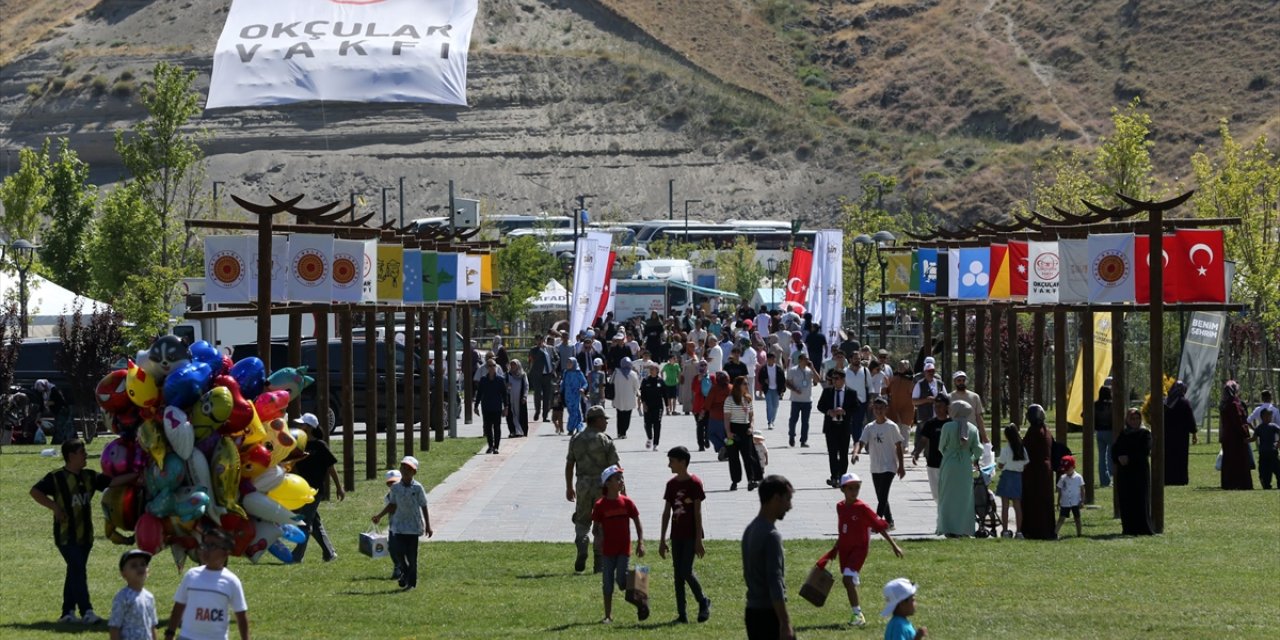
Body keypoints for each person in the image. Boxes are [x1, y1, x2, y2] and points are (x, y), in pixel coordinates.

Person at [30, 438, 136, 625]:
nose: (86, 455)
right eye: (82, 452)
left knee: (75, 571)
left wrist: (136, 475)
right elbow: (35, 491)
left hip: (86, 536)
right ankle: (87, 611)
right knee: (78, 570)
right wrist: (55, 507)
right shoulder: (56, 477)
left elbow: (113, 482)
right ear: (71, 456)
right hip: (66, 536)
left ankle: (67, 613)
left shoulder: (89, 476)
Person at [816, 473, 904, 628]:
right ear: (843, 489)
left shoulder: (862, 508)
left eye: (857, 488)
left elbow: (879, 527)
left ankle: (858, 615)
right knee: (849, 581)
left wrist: (894, 545)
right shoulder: (840, 507)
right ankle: (856, 611)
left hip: (859, 549)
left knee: (847, 580)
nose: (854, 491)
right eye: (850, 488)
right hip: (845, 549)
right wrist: (835, 548)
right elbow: (843, 529)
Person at [164, 528, 249, 640]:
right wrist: (170, 633)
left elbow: (241, 616)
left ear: (225, 552)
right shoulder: (191, 575)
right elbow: (178, 607)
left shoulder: (231, 581)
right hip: (188, 637)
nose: (206, 550)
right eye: (204, 545)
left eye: (212, 546)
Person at [658, 447, 712, 624]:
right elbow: (667, 513)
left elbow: (698, 513)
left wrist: (698, 540)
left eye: (672, 461)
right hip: (676, 535)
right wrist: (662, 539)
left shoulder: (695, 483)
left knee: (685, 570)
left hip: (691, 535)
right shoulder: (670, 485)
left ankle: (703, 601)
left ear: (682, 462)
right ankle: (682, 614)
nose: (669, 465)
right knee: (678, 575)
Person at [566, 406, 621, 573]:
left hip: (582, 485)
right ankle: (599, 563)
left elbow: (569, 465)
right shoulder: (605, 440)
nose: (605, 423)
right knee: (602, 524)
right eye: (604, 419)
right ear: (597, 420)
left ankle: (582, 543)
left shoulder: (576, 439)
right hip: (602, 488)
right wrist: (621, 490)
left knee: (582, 521)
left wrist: (569, 487)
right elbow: (615, 467)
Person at [592, 465, 649, 623]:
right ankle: (608, 616)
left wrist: (640, 542)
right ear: (607, 483)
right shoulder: (600, 505)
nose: (621, 481)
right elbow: (595, 528)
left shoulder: (627, 502)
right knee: (607, 584)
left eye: (621, 478)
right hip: (608, 550)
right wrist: (597, 537)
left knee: (622, 581)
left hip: (624, 549)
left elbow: (637, 522)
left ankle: (641, 587)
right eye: (617, 479)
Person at [742, 475, 795, 640]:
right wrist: (785, 623)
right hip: (768, 615)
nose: (790, 506)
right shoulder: (771, 536)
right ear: (775, 498)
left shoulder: (750, 529)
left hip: (752, 613)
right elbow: (775, 581)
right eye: (788, 499)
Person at [371, 456, 433, 590]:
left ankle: (411, 583)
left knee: (412, 557)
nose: (405, 471)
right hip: (398, 526)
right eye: (403, 467)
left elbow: (424, 505)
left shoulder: (417, 488)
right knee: (397, 551)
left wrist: (428, 525)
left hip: (413, 527)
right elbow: (392, 505)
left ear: (414, 472)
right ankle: (404, 571)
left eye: (409, 469)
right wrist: (379, 516)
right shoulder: (395, 488)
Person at [290, 413, 345, 563]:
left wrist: (339, 488)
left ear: (309, 427)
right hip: (302, 490)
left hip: (315, 491)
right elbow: (292, 467)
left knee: (305, 524)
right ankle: (329, 553)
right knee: (314, 522)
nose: (299, 426)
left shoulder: (320, 446)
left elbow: (331, 468)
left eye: (302, 424)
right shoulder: (299, 444)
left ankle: (297, 556)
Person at [854, 397, 906, 529]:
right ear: (872, 409)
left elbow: (898, 446)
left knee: (883, 496)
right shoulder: (869, 427)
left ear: (886, 409)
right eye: (876, 408)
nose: (878, 411)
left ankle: (875, 523)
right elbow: (861, 442)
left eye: (881, 408)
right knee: (881, 496)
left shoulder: (891, 426)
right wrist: (856, 453)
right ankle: (890, 522)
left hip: (889, 466)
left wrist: (901, 466)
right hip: (875, 466)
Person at [934, 399, 982, 537]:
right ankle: (964, 528)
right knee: (965, 498)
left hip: (949, 463)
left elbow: (941, 446)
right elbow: (978, 450)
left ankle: (947, 527)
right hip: (965, 465)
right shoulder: (972, 429)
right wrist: (970, 458)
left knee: (947, 496)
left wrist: (950, 454)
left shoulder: (947, 427)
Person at [1111, 408, 1154, 535]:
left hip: (1139, 472)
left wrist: (1129, 458)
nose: (1135, 421)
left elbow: (1144, 451)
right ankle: (1128, 528)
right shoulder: (1124, 433)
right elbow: (1115, 449)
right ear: (1127, 420)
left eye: (1137, 418)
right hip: (1125, 473)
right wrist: (1119, 458)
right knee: (1126, 500)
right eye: (1132, 419)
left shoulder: (1145, 433)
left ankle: (1143, 528)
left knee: (1140, 499)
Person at [1020, 405, 1057, 540]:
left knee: (1033, 499)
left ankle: (1034, 530)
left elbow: (1025, 449)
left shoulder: (1035, 432)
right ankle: (1046, 529)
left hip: (1034, 469)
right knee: (1044, 500)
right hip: (1044, 469)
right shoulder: (1046, 430)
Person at [818, 369, 858, 488]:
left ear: (843, 380)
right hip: (831, 427)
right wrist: (828, 411)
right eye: (832, 379)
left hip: (844, 427)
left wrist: (845, 411)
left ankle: (842, 477)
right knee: (832, 453)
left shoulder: (851, 393)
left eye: (836, 379)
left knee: (843, 453)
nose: (834, 381)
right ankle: (834, 476)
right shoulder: (827, 391)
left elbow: (856, 407)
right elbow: (820, 405)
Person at [724, 376, 764, 491]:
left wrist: (751, 427)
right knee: (733, 457)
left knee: (749, 456)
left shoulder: (748, 399)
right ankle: (735, 481)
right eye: (744, 384)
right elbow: (726, 418)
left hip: (745, 429)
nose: (747, 386)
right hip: (733, 428)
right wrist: (728, 432)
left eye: (747, 383)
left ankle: (751, 480)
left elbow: (751, 415)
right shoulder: (729, 400)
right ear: (737, 386)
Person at [110, 549, 157, 640]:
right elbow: (115, 627)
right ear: (124, 574)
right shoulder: (122, 597)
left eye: (143, 564)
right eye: (133, 566)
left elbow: (152, 626)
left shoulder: (149, 597)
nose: (140, 568)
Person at [911, 394, 949, 502]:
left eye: (940, 406)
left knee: (947, 493)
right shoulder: (930, 424)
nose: (938, 409)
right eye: (936, 406)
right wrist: (917, 453)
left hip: (949, 463)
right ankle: (942, 514)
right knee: (936, 495)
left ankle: (945, 516)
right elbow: (923, 440)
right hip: (932, 463)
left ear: (947, 407)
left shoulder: (952, 423)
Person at [1219, 380, 1253, 490]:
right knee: (1239, 460)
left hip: (1228, 437)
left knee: (1229, 461)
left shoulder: (1225, 404)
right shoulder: (1234, 404)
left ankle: (1228, 482)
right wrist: (1245, 434)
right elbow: (1238, 421)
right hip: (1236, 438)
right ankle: (1239, 483)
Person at [995, 424, 1027, 538]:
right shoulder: (1022, 449)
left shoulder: (1005, 449)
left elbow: (1000, 464)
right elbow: (1026, 463)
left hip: (1007, 476)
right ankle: (1019, 531)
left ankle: (1005, 531)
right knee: (1017, 506)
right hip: (1018, 477)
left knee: (1005, 505)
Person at [1164, 380, 1198, 486]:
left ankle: (1167, 478)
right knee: (1180, 457)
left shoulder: (1166, 402)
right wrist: (1194, 432)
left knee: (1168, 457)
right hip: (1181, 436)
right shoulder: (1184, 402)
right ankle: (1180, 479)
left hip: (1167, 435)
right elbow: (1190, 419)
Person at [785, 353, 820, 448]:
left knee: (805, 422)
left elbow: (818, 379)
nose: (807, 361)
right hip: (796, 400)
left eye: (808, 359)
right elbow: (787, 383)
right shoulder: (793, 370)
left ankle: (803, 440)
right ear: (800, 360)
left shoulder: (809, 371)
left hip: (807, 400)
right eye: (805, 359)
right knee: (793, 420)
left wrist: (813, 368)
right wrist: (795, 389)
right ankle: (791, 435)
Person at [477, 359, 509, 453]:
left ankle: (496, 447)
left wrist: (506, 407)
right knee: (488, 427)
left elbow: (504, 394)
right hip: (486, 407)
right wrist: (476, 406)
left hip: (497, 407)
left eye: (494, 366)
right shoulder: (483, 380)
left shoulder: (500, 380)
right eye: (490, 366)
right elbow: (479, 393)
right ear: (487, 368)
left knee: (497, 427)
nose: (492, 368)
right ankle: (490, 445)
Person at [947, 371, 987, 444]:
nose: (961, 382)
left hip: (972, 432)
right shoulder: (949, 397)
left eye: (963, 380)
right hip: (954, 433)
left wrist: (984, 437)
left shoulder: (975, 397)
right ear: (954, 382)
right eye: (959, 380)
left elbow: (979, 417)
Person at [529, 335, 558, 423]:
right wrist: (539, 348)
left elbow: (557, 358)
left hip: (548, 375)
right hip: (538, 376)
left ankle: (545, 416)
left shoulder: (550, 348)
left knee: (547, 396)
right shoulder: (533, 350)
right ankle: (537, 411)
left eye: (540, 339)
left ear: (543, 340)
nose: (539, 341)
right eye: (537, 340)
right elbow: (532, 359)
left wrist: (553, 367)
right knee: (537, 394)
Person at [611, 357, 641, 439]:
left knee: (619, 416)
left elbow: (610, 383)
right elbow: (637, 386)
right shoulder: (633, 374)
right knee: (627, 416)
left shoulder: (616, 373)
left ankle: (619, 432)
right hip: (629, 399)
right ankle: (623, 432)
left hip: (618, 398)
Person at [1055, 455, 1084, 538]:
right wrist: (1058, 501)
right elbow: (1059, 490)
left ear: (1072, 467)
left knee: (1077, 518)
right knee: (1061, 518)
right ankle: (1055, 533)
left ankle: (1079, 533)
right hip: (1065, 502)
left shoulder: (1078, 477)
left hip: (1075, 501)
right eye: (1064, 470)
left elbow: (1082, 489)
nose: (1066, 471)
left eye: (1067, 469)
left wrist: (1082, 500)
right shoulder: (1062, 478)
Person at [640, 363, 666, 450]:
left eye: (653, 369)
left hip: (658, 407)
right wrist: (643, 404)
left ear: (657, 371)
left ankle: (655, 444)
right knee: (647, 424)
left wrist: (668, 406)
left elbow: (665, 394)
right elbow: (642, 394)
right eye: (650, 369)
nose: (651, 371)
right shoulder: (645, 380)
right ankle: (650, 437)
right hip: (648, 406)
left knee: (657, 425)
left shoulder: (661, 381)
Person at [1094, 380, 1115, 488]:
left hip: (1099, 432)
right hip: (1110, 431)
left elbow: (1084, 414)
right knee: (1111, 455)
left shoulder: (1096, 405)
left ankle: (1104, 480)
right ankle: (1112, 476)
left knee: (1102, 457)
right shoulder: (1112, 405)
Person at [706, 371, 732, 454]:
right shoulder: (731, 388)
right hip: (730, 416)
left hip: (715, 416)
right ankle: (728, 450)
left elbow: (708, 403)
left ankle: (721, 447)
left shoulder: (714, 389)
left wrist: (704, 410)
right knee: (726, 436)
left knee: (711, 434)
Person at [885, 360, 917, 429]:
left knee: (904, 435)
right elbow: (888, 390)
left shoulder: (912, 380)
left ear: (907, 367)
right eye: (899, 365)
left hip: (906, 412)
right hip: (893, 412)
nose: (900, 367)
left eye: (902, 365)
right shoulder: (895, 378)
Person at [561, 358, 589, 435]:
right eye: (568, 362)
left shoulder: (578, 372)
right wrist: (559, 389)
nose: (568, 364)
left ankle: (571, 428)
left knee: (575, 411)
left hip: (576, 395)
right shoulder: (566, 372)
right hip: (568, 396)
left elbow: (585, 383)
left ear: (574, 363)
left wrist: (583, 389)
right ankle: (578, 426)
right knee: (572, 412)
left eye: (570, 363)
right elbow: (563, 383)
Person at [1255, 408, 1280, 490]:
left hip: (1272, 451)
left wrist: (1278, 443)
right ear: (1262, 417)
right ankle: (1266, 485)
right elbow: (1254, 438)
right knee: (1264, 470)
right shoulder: (1259, 428)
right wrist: (1245, 440)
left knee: (1277, 469)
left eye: (1270, 416)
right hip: (1263, 453)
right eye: (1268, 416)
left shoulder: (1273, 426)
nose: (1269, 417)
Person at [506, 360, 530, 439]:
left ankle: (521, 431)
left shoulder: (523, 375)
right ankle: (513, 431)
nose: (513, 367)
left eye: (514, 365)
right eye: (511, 365)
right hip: (511, 398)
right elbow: (504, 385)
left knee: (521, 414)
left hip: (520, 399)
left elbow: (526, 386)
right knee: (511, 414)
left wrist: (525, 396)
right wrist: (506, 386)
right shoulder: (508, 375)